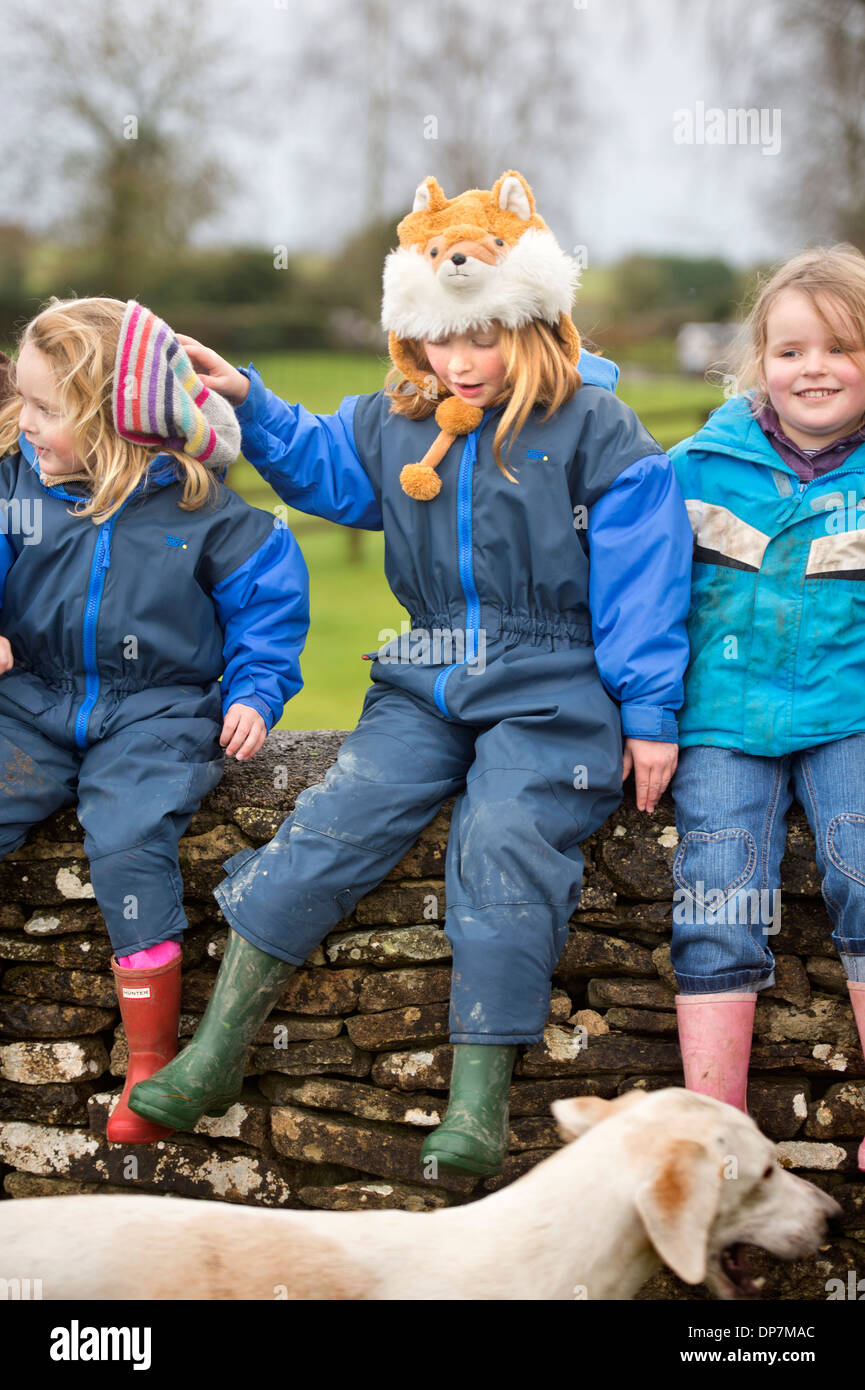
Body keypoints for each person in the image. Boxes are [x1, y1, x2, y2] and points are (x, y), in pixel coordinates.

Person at [130, 170, 693, 1177]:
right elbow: (324, 468)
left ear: (536, 321)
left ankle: (476, 1101)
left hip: (557, 686)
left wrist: (649, 711)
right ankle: (215, 1051)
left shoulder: (598, 431)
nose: (462, 360)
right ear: (410, 334)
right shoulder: (396, 417)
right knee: (335, 814)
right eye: (441, 337)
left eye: (484, 336)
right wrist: (249, 402)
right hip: (427, 670)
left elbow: (644, 579)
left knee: (504, 837)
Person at [0, 296, 309, 1145]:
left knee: (130, 839)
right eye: (23, 400)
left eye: (46, 408)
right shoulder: (17, 487)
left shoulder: (207, 516)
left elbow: (268, 610)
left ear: (116, 419)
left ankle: (150, 1061)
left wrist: (254, 692)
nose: (24, 422)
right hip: (28, 702)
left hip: (157, 714)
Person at [669, 244, 865, 1169]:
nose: (812, 368)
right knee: (715, 890)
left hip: (850, 712)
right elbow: (635, 595)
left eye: (840, 348)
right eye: (790, 350)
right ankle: (719, 1140)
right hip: (722, 720)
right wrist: (634, 717)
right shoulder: (696, 467)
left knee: (863, 867)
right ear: (759, 361)